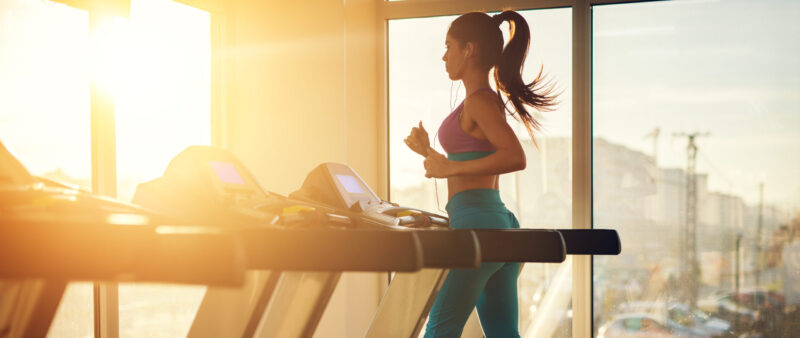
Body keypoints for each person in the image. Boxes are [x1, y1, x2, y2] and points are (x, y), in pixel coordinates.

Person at [404, 10, 559, 338]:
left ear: (469, 50)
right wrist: (429, 153)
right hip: (494, 225)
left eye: (449, 46)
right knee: (503, 332)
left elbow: (515, 157)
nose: (444, 56)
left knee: (440, 329)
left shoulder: (481, 102)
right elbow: (471, 165)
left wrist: (450, 166)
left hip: (479, 228)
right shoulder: (479, 102)